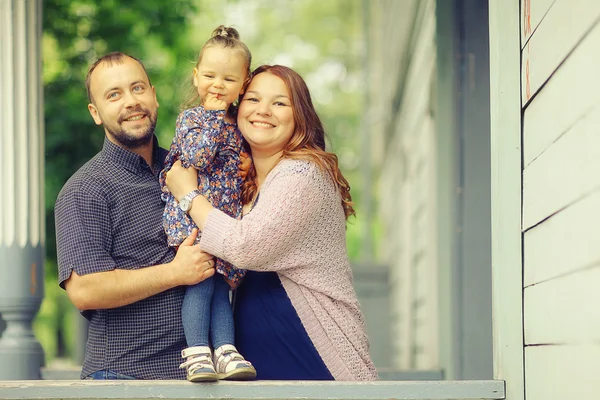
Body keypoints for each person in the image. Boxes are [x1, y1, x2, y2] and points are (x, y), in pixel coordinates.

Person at [166, 65, 379, 381]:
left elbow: (244, 245)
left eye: (279, 103)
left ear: (299, 117)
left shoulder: (303, 175)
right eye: (253, 99)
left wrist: (187, 194)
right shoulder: (247, 187)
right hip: (265, 368)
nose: (263, 110)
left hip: (319, 365)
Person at [54, 52, 216, 380]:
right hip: (124, 379)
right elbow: (85, 290)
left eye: (138, 88)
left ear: (153, 96)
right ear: (95, 113)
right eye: (114, 95)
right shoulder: (84, 189)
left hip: (205, 380)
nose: (131, 101)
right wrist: (175, 273)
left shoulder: (188, 169)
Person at [158, 25, 256, 382]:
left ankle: (226, 350)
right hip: (192, 221)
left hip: (223, 221)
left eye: (228, 78)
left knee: (219, 286)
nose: (218, 84)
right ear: (196, 76)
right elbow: (198, 157)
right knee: (200, 280)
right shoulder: (194, 119)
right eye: (210, 75)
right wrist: (215, 117)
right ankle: (198, 351)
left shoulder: (240, 125)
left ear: (243, 84)